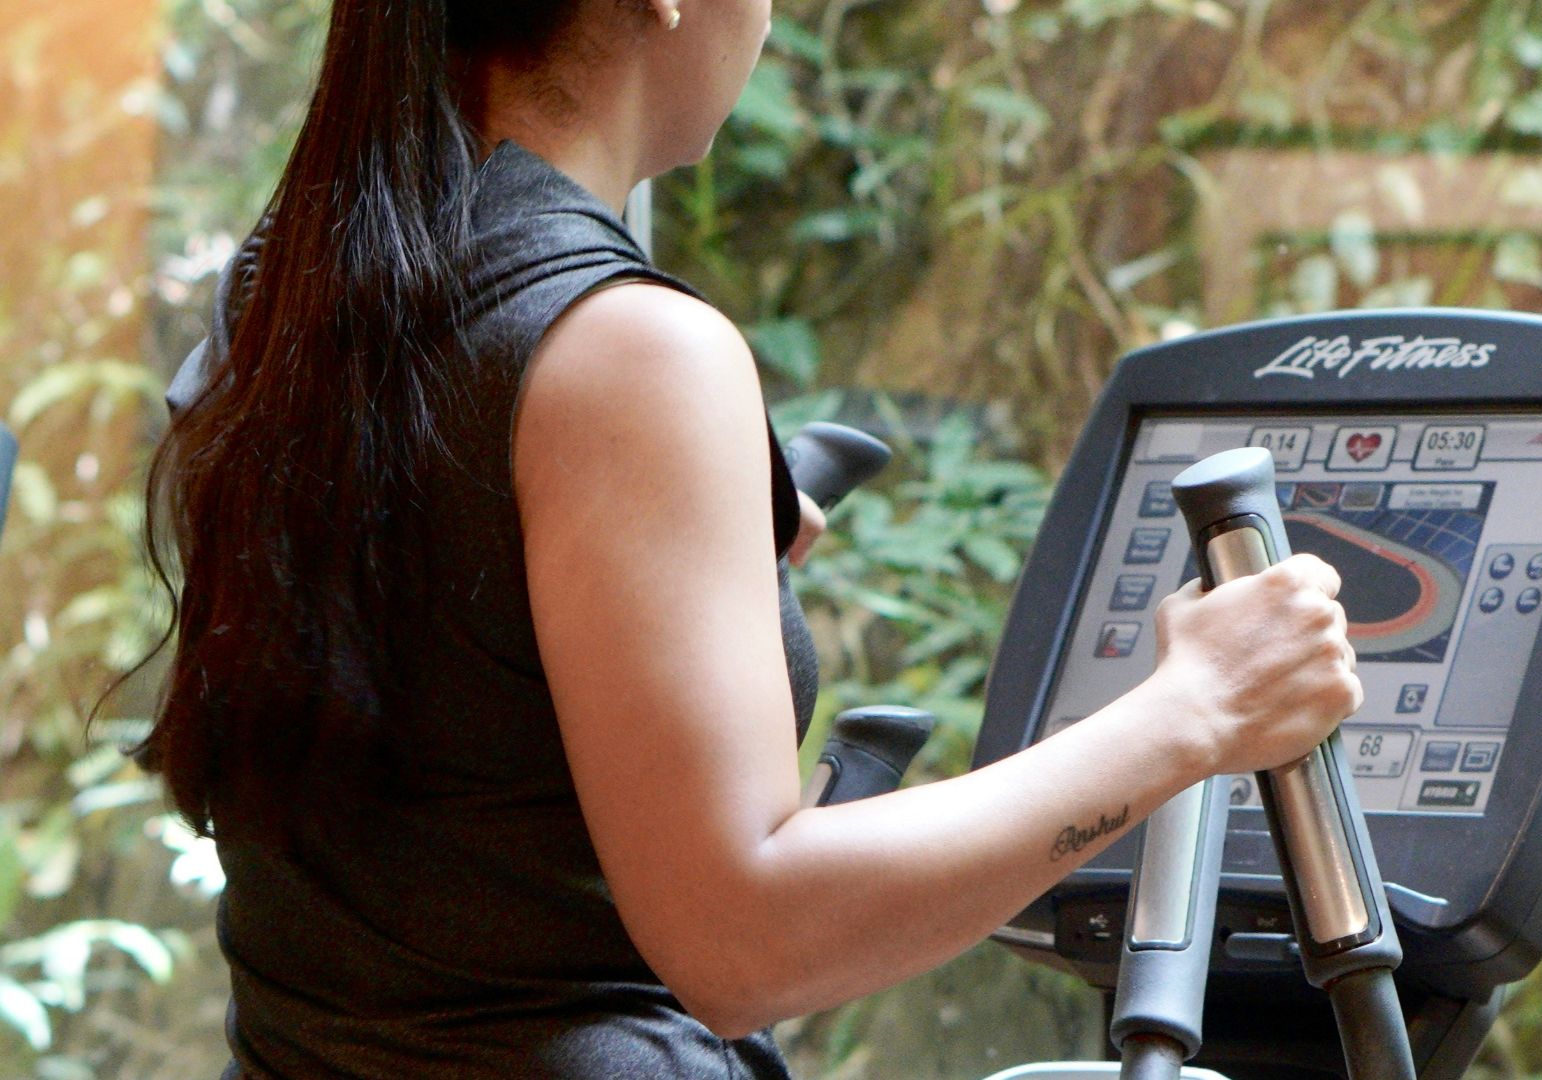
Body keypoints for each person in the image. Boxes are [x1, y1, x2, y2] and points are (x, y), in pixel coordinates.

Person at [139, 0, 1363, 1076]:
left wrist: (665, 581)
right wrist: (1195, 709)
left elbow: (442, 722)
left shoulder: (299, 293)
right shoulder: (627, 352)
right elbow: (745, 940)